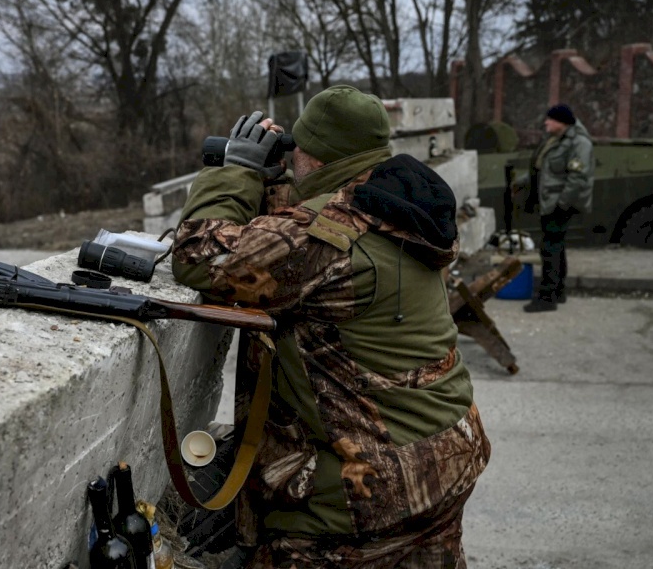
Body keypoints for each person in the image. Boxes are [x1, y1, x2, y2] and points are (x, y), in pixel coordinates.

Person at [171, 85, 490, 568]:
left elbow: (196, 254)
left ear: (314, 157)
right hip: (443, 461)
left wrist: (235, 171)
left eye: (297, 149)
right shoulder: (400, 204)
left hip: (362, 500)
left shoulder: (328, 238)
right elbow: (308, 227)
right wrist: (279, 180)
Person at [522, 103, 594, 313]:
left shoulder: (578, 143)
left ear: (561, 122)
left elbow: (578, 178)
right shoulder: (556, 140)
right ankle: (558, 291)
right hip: (550, 201)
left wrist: (562, 204)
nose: (546, 122)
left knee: (550, 249)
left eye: (550, 119)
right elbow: (544, 170)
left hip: (559, 204)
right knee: (556, 246)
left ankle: (547, 297)